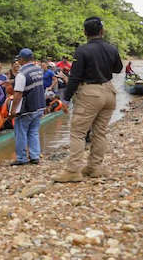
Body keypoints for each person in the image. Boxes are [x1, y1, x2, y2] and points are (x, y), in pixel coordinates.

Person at [54, 17, 122, 183]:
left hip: (90, 93)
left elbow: (75, 77)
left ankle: (73, 170)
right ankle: (94, 167)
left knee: (78, 132)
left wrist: (67, 100)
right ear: (102, 31)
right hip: (109, 91)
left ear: (85, 32)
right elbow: (118, 68)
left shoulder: (82, 51)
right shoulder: (112, 49)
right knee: (100, 132)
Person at [8, 49, 45, 166]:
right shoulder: (38, 69)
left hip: (27, 108)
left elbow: (18, 93)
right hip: (39, 106)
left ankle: (22, 158)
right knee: (33, 132)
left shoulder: (21, 73)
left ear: (22, 59)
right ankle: (35, 156)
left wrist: (13, 110)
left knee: (21, 133)